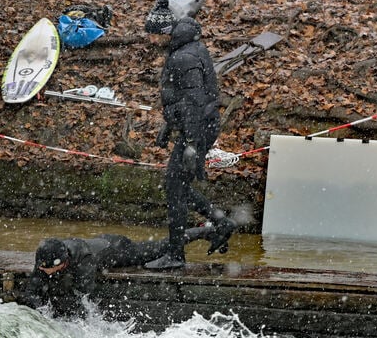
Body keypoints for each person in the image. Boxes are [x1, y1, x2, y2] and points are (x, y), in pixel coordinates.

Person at [145, 16, 236, 270]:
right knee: (177, 185)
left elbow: (195, 102)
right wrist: (169, 126)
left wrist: (192, 143)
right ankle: (220, 222)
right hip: (196, 127)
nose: (151, 40)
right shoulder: (186, 48)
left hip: (198, 129)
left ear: (164, 32)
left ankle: (176, 255)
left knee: (175, 189)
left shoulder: (183, 57)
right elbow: (182, 98)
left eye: (153, 35)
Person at [21, 228, 215, 318]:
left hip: (119, 249)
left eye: (45, 268)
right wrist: (41, 313)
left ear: (60, 263)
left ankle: (204, 231)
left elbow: (85, 296)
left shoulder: (83, 262)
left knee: (160, 247)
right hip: (99, 240)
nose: (40, 270)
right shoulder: (46, 260)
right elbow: (31, 291)